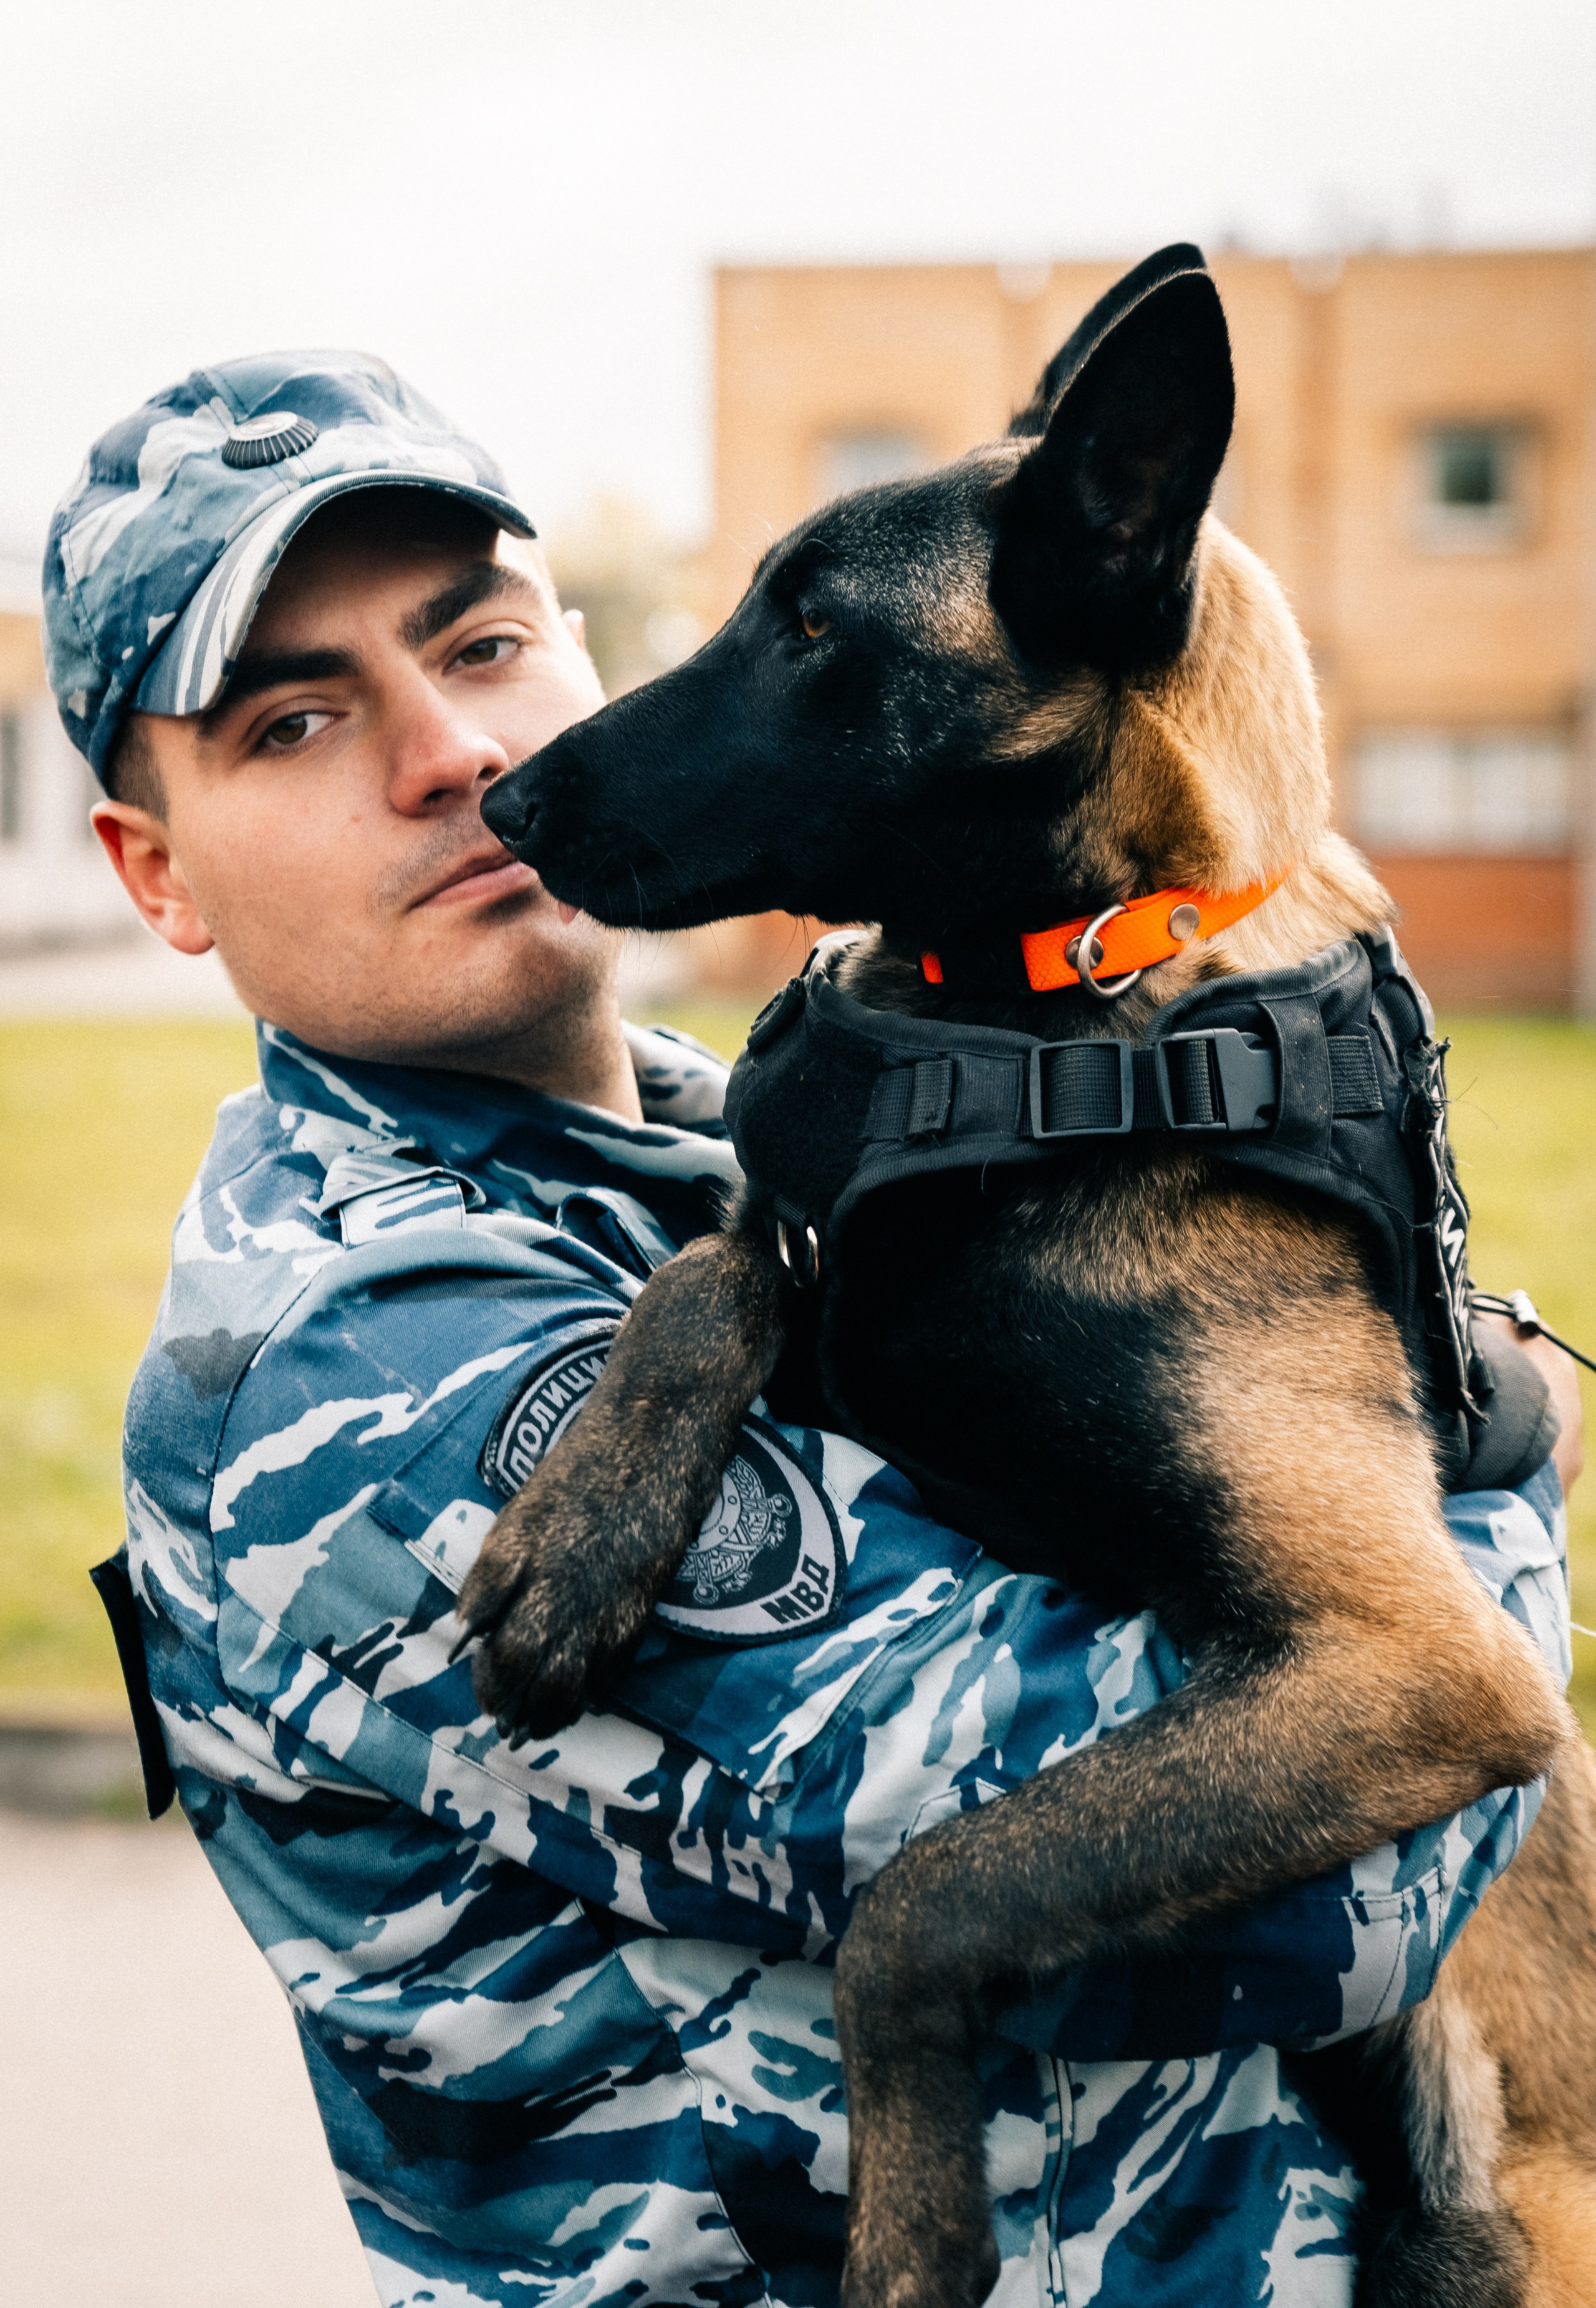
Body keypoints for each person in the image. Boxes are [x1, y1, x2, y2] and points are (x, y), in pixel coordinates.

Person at [50, 350, 1580, 2308]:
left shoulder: (776, 1122)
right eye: (289, 724)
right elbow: (1343, 1891)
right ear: (154, 872)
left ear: (578, 658)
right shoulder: (364, 1371)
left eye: (485, 643)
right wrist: (1491, 1417)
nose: (446, 754)